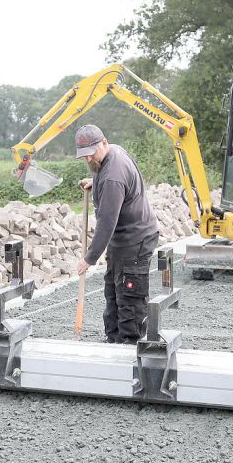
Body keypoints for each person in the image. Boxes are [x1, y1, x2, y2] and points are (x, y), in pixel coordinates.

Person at [75, 124, 160, 344]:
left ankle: (130, 345)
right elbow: (116, 183)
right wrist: (96, 183)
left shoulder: (114, 176)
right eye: (84, 156)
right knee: (113, 289)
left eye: (91, 154)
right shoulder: (112, 153)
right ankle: (113, 340)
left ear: (104, 142)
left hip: (135, 239)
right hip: (122, 239)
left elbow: (107, 221)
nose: (88, 160)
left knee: (129, 296)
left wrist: (89, 258)